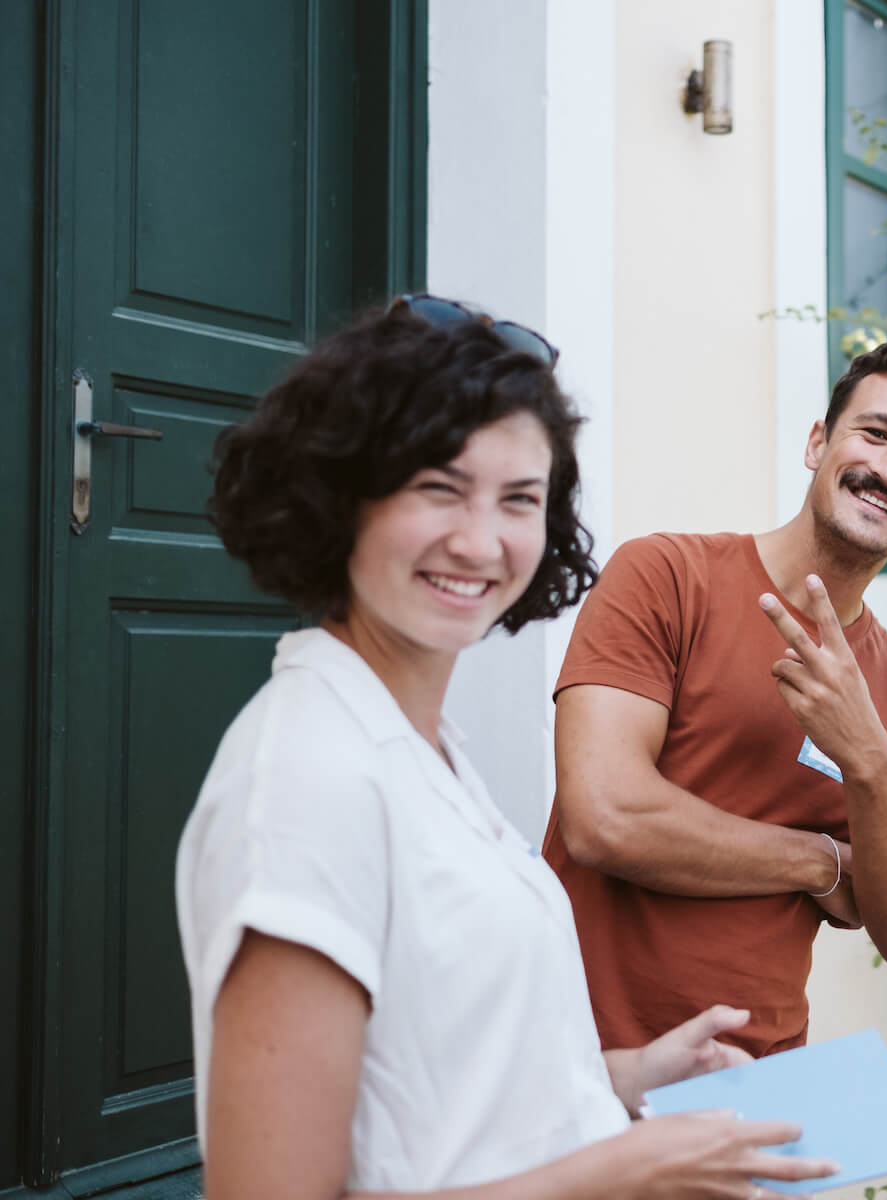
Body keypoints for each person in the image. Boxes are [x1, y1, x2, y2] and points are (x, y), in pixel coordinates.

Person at [177, 296, 836, 1197]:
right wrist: (618, 1172)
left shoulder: (420, 749)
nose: (480, 541)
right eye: (438, 488)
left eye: (520, 499)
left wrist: (624, 1082)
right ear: (338, 498)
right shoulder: (309, 785)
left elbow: (432, 1097)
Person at [545, 337, 887, 1056]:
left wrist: (869, 758)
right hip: (580, 1054)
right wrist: (827, 862)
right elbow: (604, 817)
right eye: (874, 434)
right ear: (818, 443)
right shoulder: (664, 576)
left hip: (758, 1077)